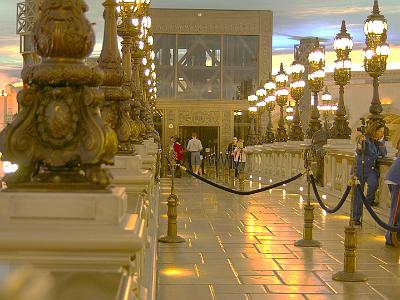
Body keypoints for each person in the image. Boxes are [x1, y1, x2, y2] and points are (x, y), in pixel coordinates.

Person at [352, 122, 387, 225]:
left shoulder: (377, 141)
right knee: (358, 194)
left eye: (382, 132)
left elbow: (383, 153)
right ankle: (356, 217)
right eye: (380, 131)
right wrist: (360, 143)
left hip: (371, 170)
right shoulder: (365, 139)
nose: (381, 133)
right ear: (374, 130)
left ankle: (367, 202)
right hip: (360, 169)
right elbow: (359, 151)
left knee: (373, 184)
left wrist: (381, 142)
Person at [384, 155, 400, 246]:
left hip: (394, 178)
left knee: (396, 209)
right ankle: (390, 238)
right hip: (397, 180)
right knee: (396, 210)